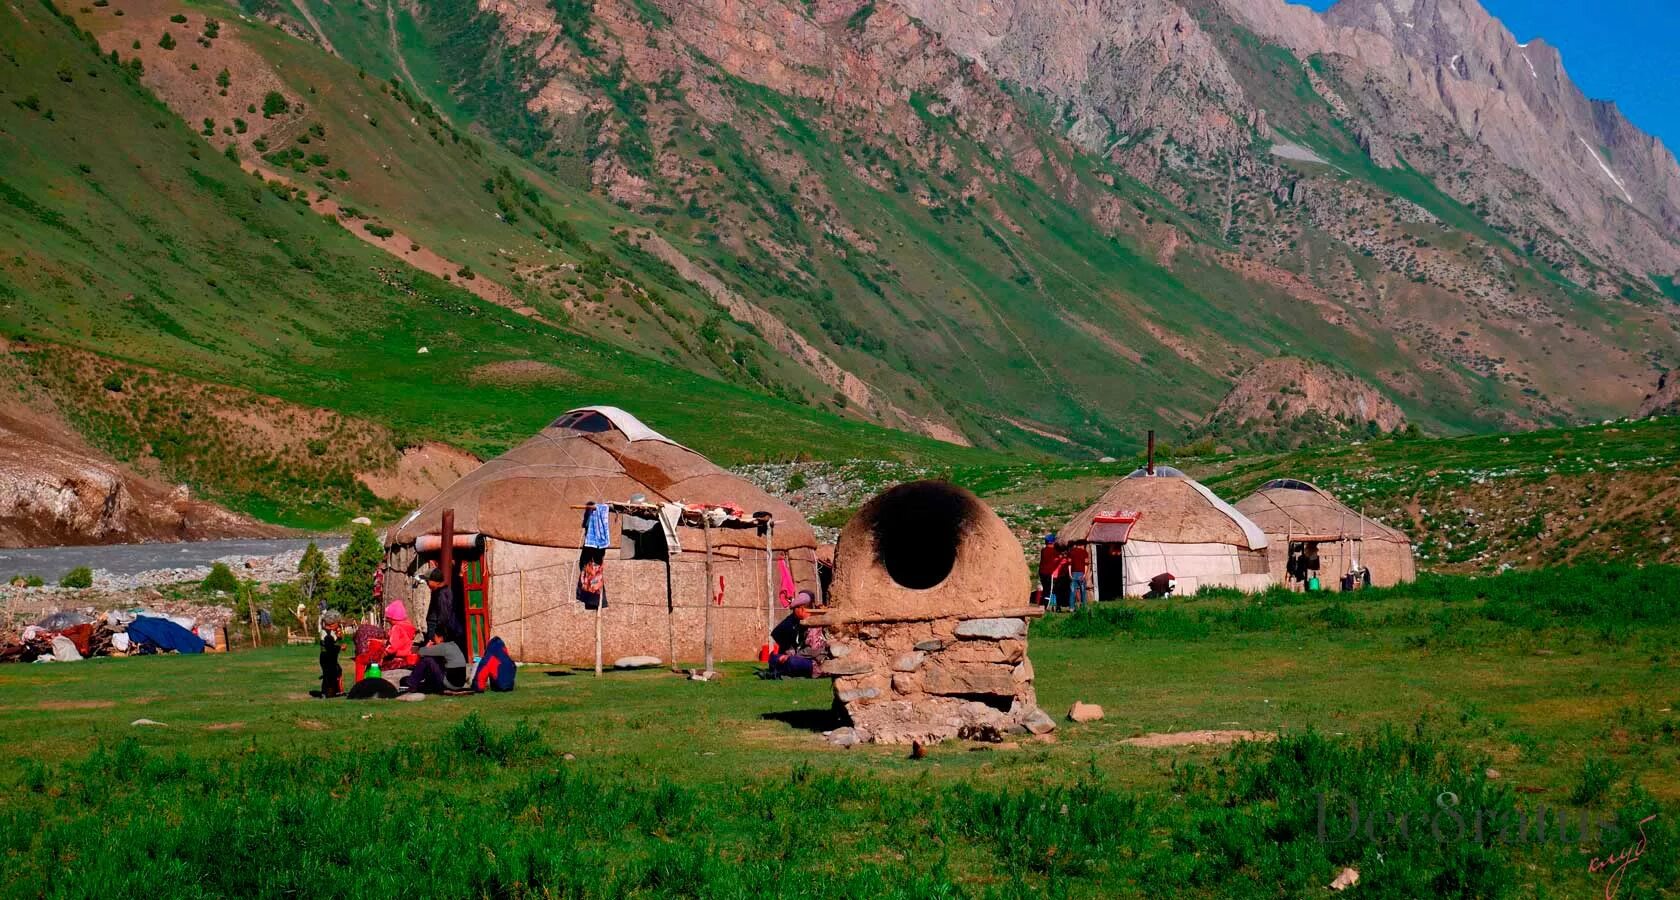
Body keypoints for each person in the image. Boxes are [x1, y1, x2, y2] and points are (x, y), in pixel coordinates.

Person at [765, 591, 822, 678]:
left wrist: (791, 657)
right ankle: (780, 669)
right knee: (774, 659)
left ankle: (778, 671)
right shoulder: (801, 623)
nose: (794, 612)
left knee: (792, 662)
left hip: (815, 663)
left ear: (802, 609)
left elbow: (813, 651)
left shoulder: (814, 624)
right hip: (801, 657)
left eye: (795, 609)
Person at [407, 628, 469, 694]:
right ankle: (425, 684)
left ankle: (411, 684)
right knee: (433, 661)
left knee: (427, 660)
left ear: (441, 638)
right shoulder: (454, 645)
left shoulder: (442, 647)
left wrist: (427, 646)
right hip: (459, 684)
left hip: (450, 685)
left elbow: (421, 652)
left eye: (435, 637)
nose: (433, 639)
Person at [312, 610, 346, 698]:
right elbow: (330, 647)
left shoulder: (330, 632)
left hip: (331, 658)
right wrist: (340, 647)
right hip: (327, 658)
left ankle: (335, 690)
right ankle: (326, 692)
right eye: (338, 623)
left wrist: (339, 638)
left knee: (336, 671)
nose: (339, 625)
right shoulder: (327, 634)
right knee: (329, 675)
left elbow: (334, 642)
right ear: (333, 624)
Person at [382, 599, 418, 668]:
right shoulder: (407, 626)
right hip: (406, 657)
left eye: (388, 619)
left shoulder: (396, 628)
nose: (388, 621)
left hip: (397, 658)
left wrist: (384, 652)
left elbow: (393, 647)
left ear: (392, 618)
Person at [1037, 535, 1062, 608]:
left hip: (1041, 572)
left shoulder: (1043, 550)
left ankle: (1041, 605)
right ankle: (1045, 606)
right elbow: (1059, 558)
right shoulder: (1054, 552)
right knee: (1048, 591)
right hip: (1048, 573)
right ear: (1053, 542)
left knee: (1044, 589)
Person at [1066, 542, 1091, 611]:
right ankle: (1083, 607)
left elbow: (1069, 564)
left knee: (1072, 591)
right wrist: (1084, 574)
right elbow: (1086, 565)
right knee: (1083, 591)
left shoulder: (1071, 552)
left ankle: (1071, 607)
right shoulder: (1084, 552)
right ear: (1081, 545)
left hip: (1073, 574)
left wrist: (1070, 574)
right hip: (1081, 574)